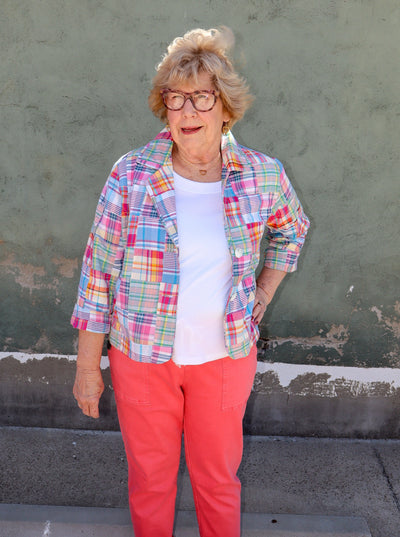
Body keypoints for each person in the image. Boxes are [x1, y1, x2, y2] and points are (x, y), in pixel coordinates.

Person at [72, 26, 309, 537]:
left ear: (225, 107)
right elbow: (98, 271)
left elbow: (293, 231)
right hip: (141, 359)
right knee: (151, 480)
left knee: (217, 479)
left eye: (202, 97)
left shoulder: (261, 175)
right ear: (165, 109)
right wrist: (88, 366)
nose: (188, 112)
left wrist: (263, 291)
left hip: (225, 358)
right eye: (175, 99)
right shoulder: (132, 174)